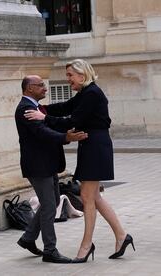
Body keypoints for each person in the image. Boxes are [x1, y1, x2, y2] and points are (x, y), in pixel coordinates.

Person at [24, 59, 135, 262]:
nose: (68, 80)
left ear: (81, 75)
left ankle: (86, 246)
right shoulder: (85, 93)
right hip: (91, 145)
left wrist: (43, 118)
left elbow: (73, 121)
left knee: (87, 197)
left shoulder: (92, 93)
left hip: (95, 147)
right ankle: (121, 236)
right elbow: (65, 106)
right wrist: (43, 109)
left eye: (70, 76)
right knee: (95, 198)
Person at [15, 75, 87, 263]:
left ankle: (28, 238)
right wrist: (66, 138)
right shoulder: (25, 109)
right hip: (38, 166)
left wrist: (66, 131)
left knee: (54, 201)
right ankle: (50, 250)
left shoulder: (37, 107)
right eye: (41, 85)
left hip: (48, 164)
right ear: (29, 88)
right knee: (48, 206)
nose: (45, 88)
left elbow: (50, 121)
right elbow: (42, 132)